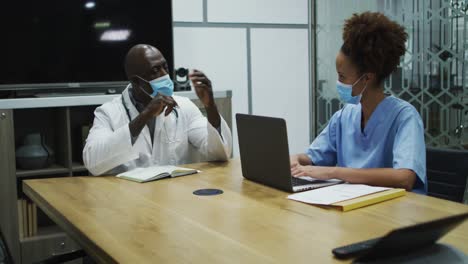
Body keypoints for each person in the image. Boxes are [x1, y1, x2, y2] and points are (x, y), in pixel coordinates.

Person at [290, 12, 427, 193]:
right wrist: (296, 159)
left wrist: (335, 172)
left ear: (367, 78)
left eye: (342, 76)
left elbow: (405, 178)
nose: (338, 83)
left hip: (391, 214)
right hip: (352, 208)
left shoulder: (404, 117)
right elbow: (313, 157)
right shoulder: (345, 116)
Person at [83, 44, 232, 175]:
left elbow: (220, 154)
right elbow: (93, 163)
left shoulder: (184, 106)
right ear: (136, 81)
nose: (164, 75)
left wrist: (210, 106)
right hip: (129, 199)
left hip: (174, 198)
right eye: (155, 71)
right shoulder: (108, 113)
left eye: (165, 67)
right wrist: (145, 116)